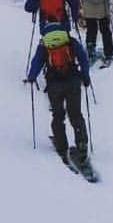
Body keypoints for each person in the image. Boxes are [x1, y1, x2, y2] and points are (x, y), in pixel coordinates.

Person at [25, 14, 92, 169]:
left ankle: (62, 147)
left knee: (58, 115)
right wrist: (86, 76)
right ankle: (81, 144)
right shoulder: (69, 39)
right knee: (75, 115)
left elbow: (37, 62)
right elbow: (83, 58)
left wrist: (31, 77)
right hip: (73, 81)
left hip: (54, 83)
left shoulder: (45, 42)